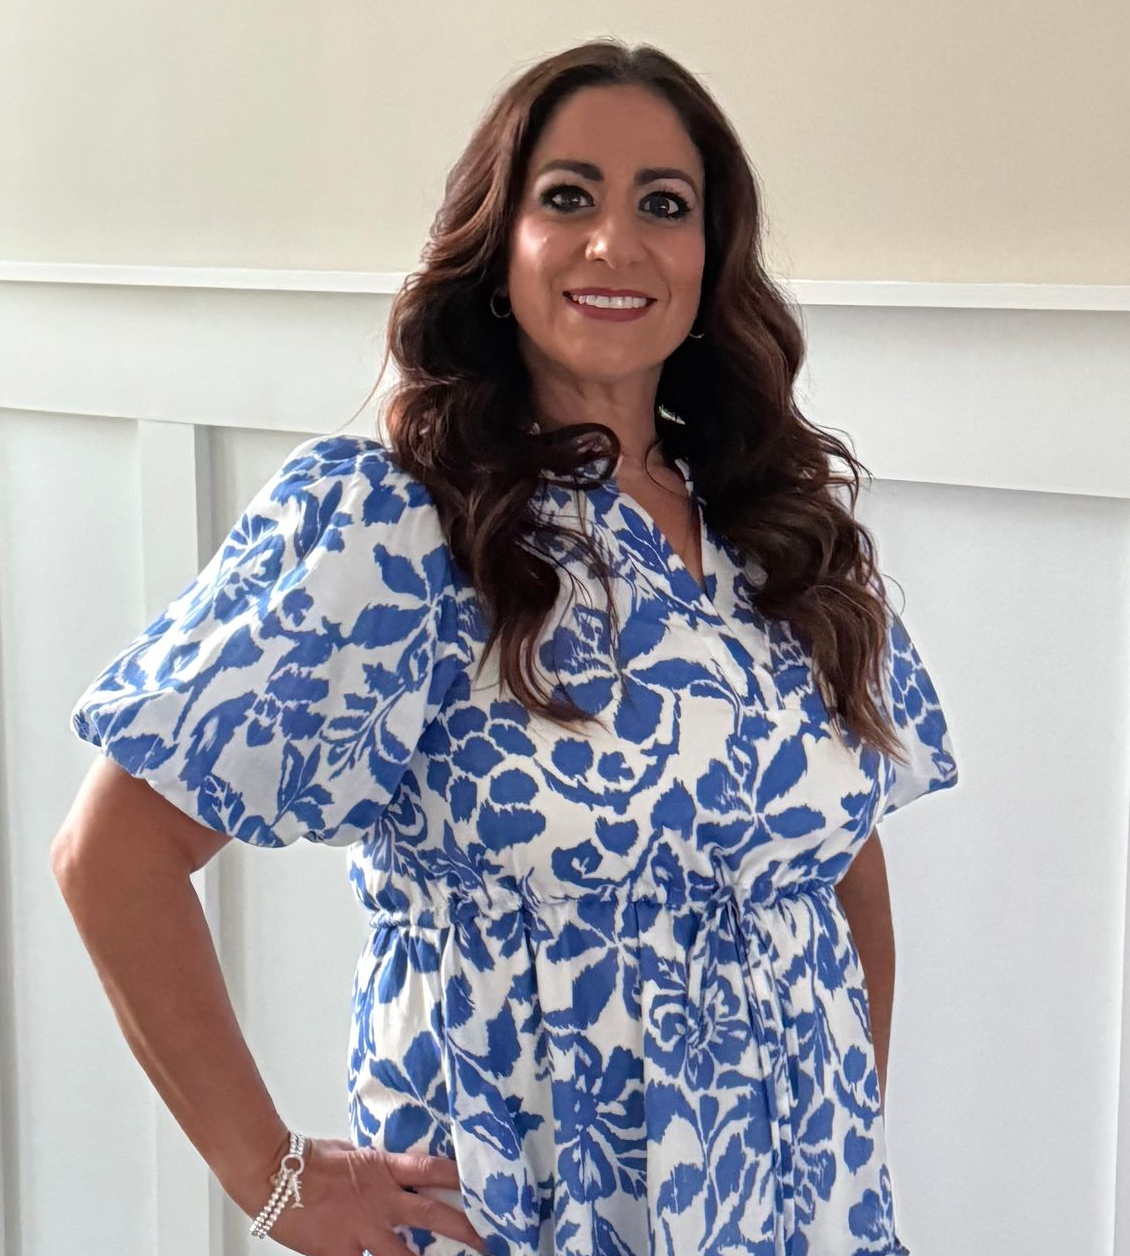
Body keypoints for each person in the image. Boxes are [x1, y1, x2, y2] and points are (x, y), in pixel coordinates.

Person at [52, 38, 959, 1256]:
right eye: (567, 196)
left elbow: (840, 866)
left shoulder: (779, 533)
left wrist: (836, 1137)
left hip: (796, 1209)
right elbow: (111, 853)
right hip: (523, 1201)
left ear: (709, 255)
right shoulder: (399, 526)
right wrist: (272, 1176)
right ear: (497, 245)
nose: (614, 242)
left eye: (664, 205)